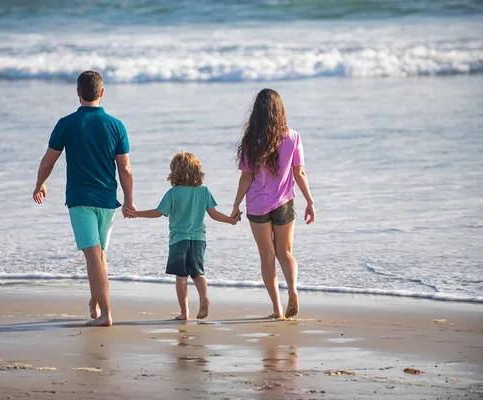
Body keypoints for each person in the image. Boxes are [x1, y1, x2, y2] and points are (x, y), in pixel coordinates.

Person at [33, 70, 135, 327]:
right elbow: (125, 168)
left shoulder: (66, 123)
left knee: (93, 256)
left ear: (78, 93)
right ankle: (96, 301)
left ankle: (106, 315)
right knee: (99, 256)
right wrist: (129, 200)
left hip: (80, 199)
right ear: (102, 93)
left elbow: (48, 161)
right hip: (107, 199)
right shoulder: (116, 125)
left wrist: (40, 184)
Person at [231, 88, 315, 320]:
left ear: (256, 113)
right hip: (284, 203)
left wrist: (236, 205)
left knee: (267, 256)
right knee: (285, 252)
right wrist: (310, 201)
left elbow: (246, 177)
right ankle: (293, 289)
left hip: (257, 206)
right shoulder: (293, 137)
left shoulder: (250, 141)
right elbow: (300, 174)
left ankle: (278, 310)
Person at [126, 151, 240, 321]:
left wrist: (137, 214)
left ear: (174, 172)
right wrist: (231, 221)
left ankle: (184, 313)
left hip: (179, 240)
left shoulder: (173, 193)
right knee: (198, 274)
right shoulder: (204, 191)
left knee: (181, 278)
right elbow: (214, 214)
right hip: (198, 240)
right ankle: (203, 298)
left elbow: (158, 213)